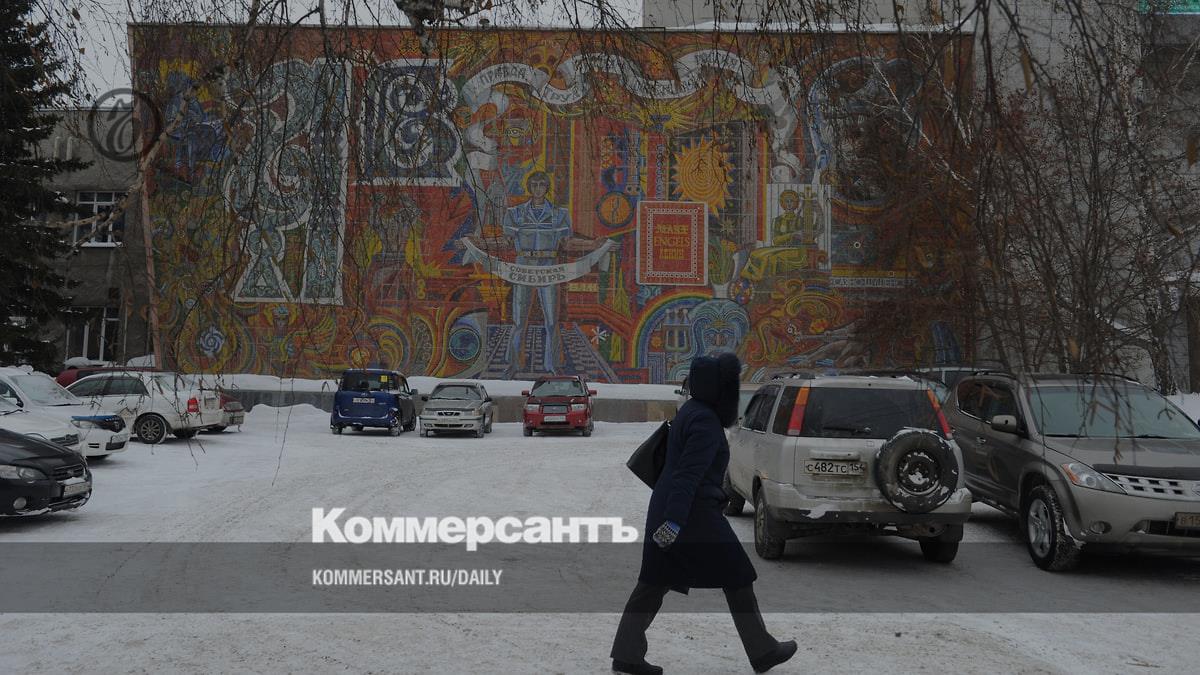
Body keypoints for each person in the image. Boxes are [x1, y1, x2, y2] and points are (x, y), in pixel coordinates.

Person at [610, 352, 797, 674]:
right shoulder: (705, 422)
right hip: (692, 515)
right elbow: (687, 475)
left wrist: (671, 518)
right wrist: (673, 522)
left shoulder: (692, 411)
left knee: (654, 581)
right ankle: (763, 651)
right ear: (721, 389)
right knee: (738, 575)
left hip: (676, 509)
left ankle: (627, 654)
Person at [502, 170, 572, 375]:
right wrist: (474, 243)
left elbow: (568, 243)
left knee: (551, 320)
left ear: (547, 187)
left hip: (548, 267)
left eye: (542, 184)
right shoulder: (515, 213)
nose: (538, 189)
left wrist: (597, 246)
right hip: (523, 266)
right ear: (529, 187)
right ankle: (514, 363)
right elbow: (505, 241)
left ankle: (552, 365)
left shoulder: (560, 214)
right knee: (519, 319)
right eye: (535, 185)